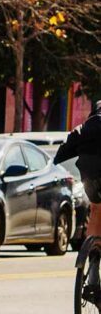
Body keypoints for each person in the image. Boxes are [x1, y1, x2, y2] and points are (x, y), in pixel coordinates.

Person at [54, 101, 101, 288]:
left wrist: (57, 159)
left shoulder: (89, 125)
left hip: (89, 172)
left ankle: (93, 265)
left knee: (96, 209)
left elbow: (69, 143)